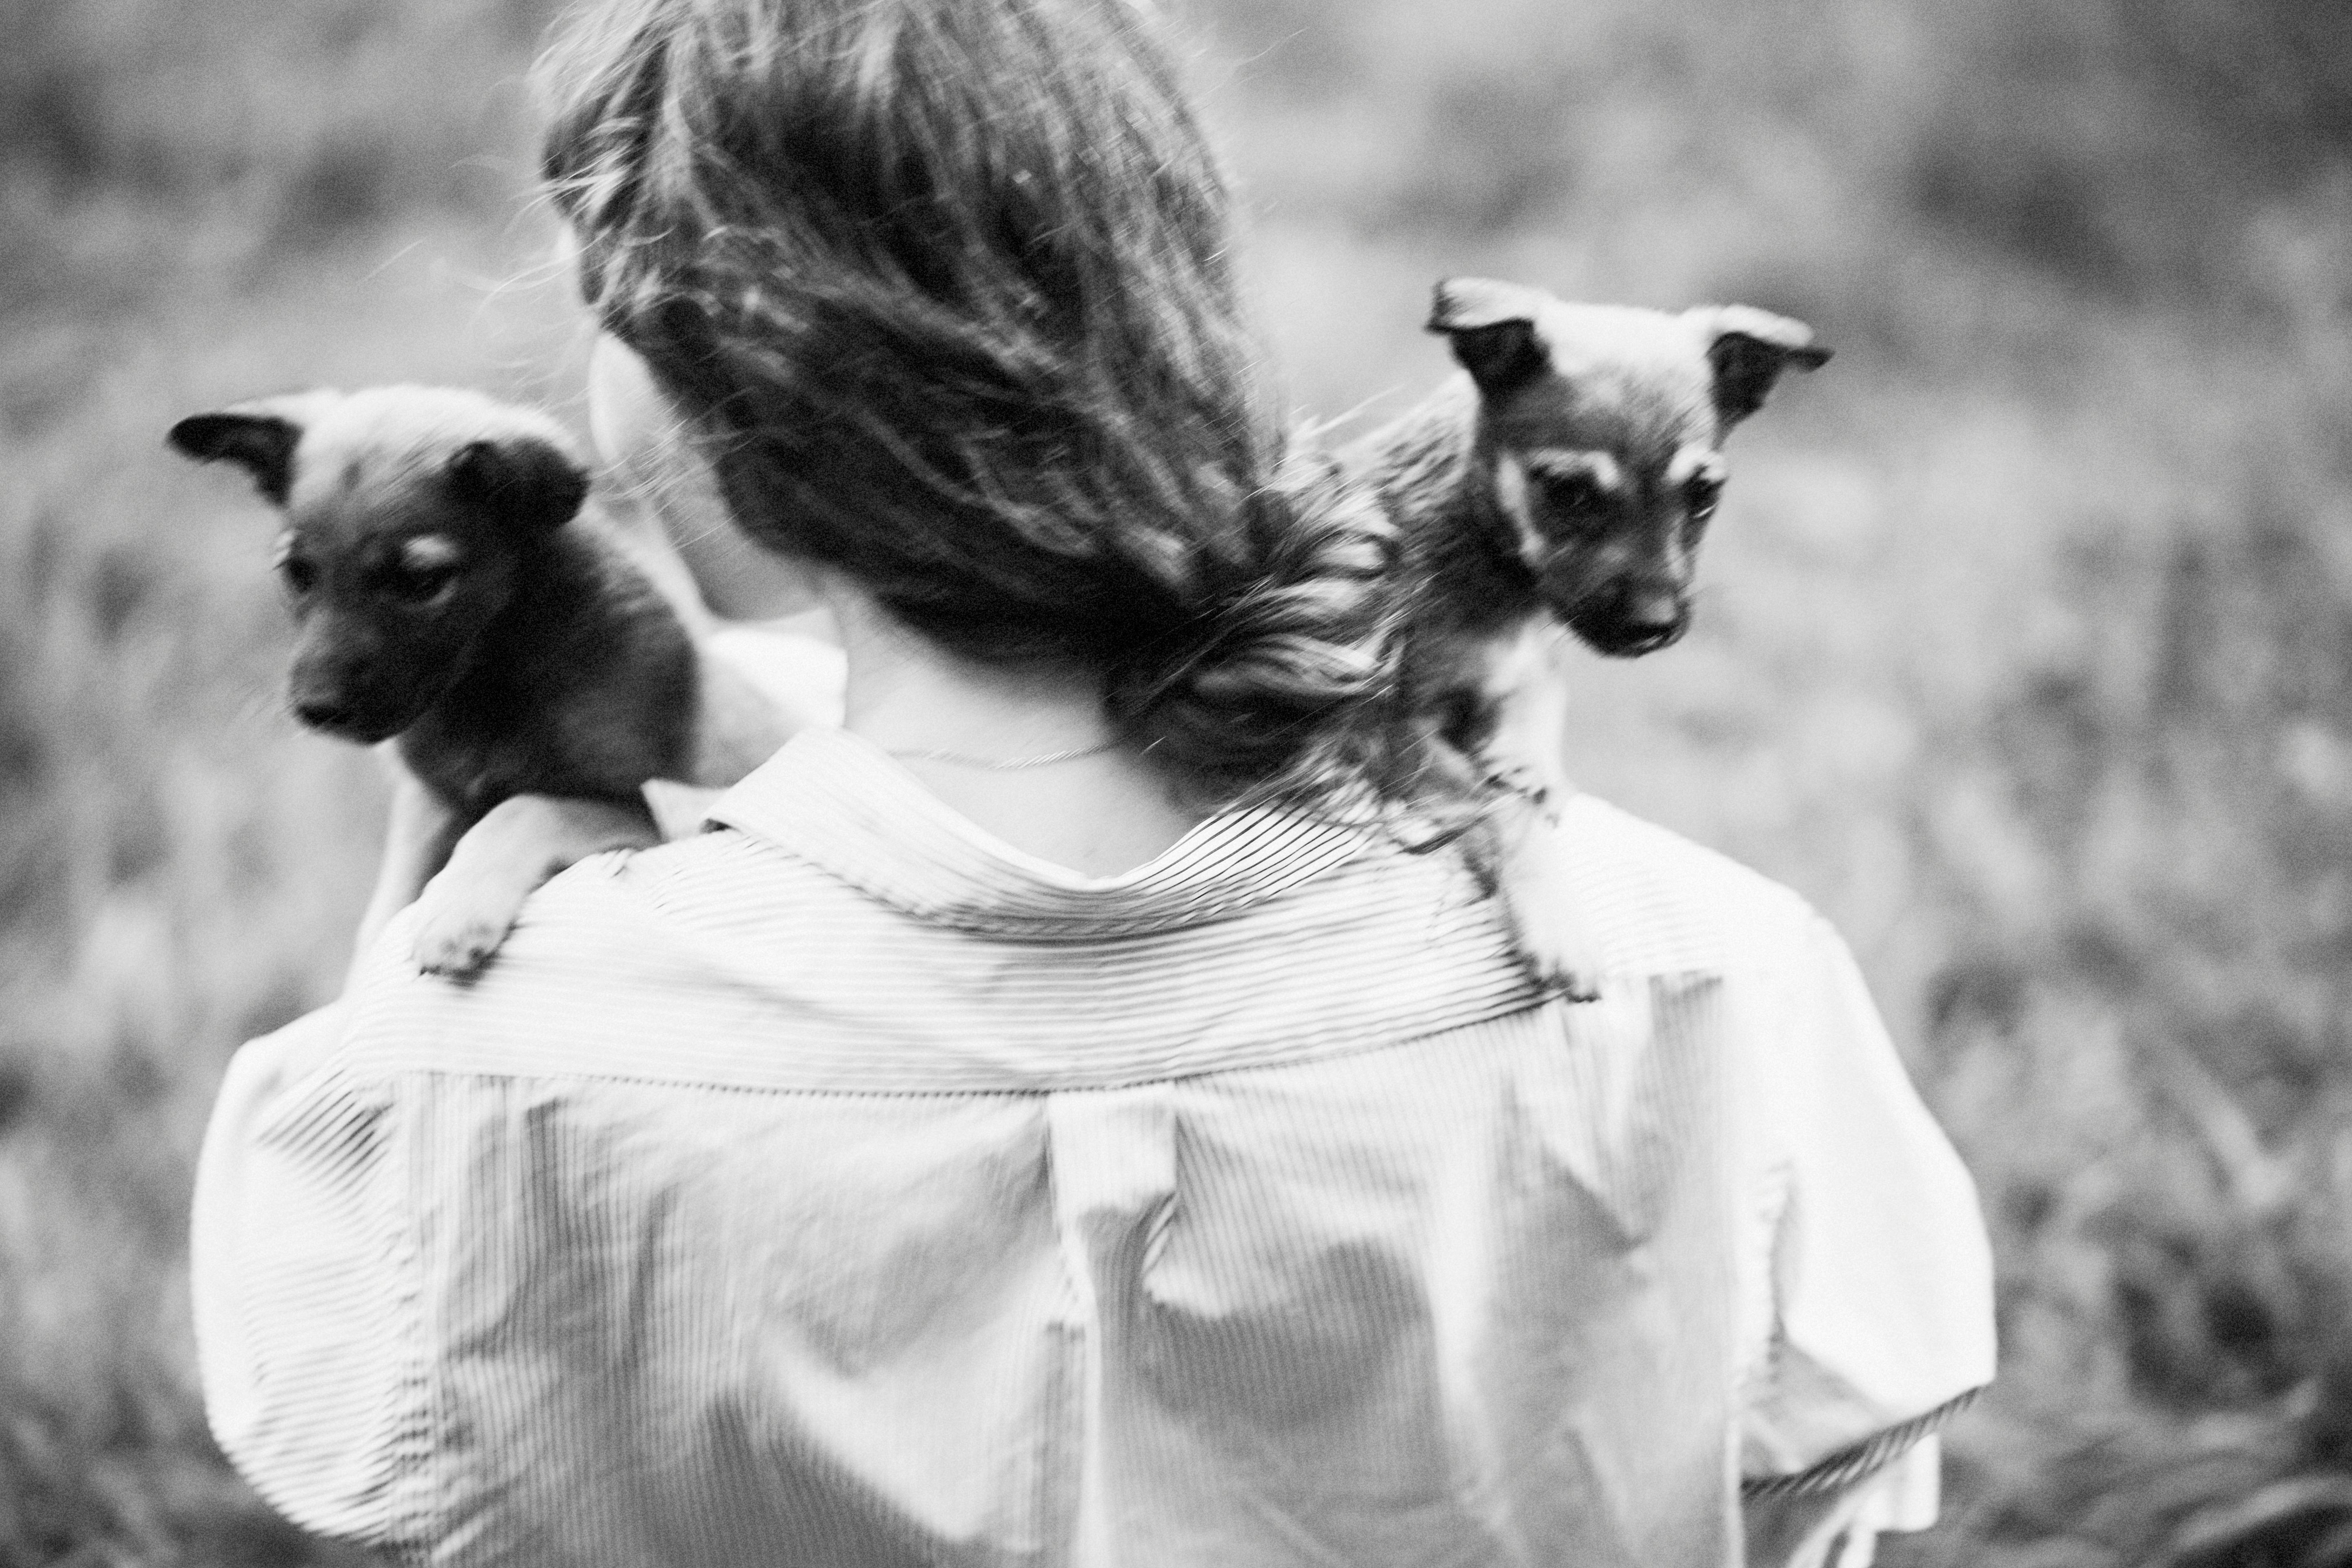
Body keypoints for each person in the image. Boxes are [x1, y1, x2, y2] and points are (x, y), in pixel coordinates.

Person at [189, 0, 1996, 1564]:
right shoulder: (1718, 985)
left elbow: (383, 1491)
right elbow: (1798, 1511)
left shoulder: (455, 1076)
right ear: (1178, 322)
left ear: (676, 393)